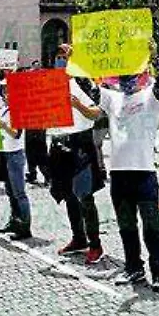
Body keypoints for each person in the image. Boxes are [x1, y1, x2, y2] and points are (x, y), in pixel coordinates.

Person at [78, 59, 159, 292]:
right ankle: (134, 268)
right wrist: (76, 61)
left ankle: (158, 270)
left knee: (151, 225)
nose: (127, 78)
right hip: (119, 173)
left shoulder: (149, 97)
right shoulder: (113, 98)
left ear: (139, 75)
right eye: (123, 74)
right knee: (126, 225)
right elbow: (88, 88)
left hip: (144, 172)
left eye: (131, 73)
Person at [49, 48, 107, 265]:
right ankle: (79, 238)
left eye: (65, 58)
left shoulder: (83, 83)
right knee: (68, 194)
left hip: (80, 143)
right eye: (59, 58)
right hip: (59, 143)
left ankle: (95, 243)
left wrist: (77, 104)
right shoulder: (50, 86)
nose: (61, 62)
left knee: (85, 196)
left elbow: (97, 113)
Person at [0, 81, 32, 240]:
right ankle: (14, 221)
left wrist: (3, 126)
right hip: (3, 153)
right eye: (5, 92)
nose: (6, 95)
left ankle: (25, 227)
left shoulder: (18, 111)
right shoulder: (3, 110)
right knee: (10, 191)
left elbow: (16, 134)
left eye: (9, 92)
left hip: (14, 154)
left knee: (19, 192)